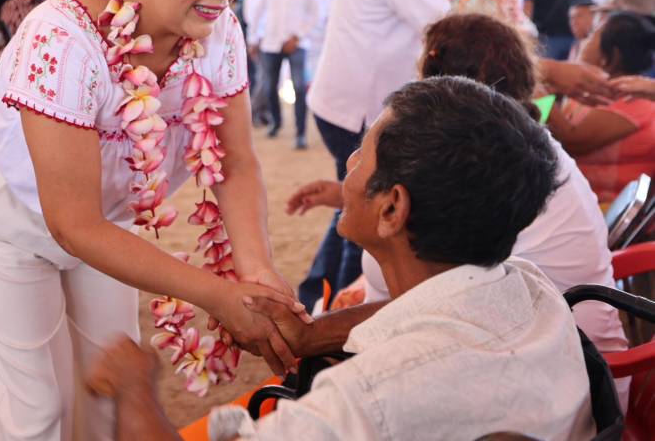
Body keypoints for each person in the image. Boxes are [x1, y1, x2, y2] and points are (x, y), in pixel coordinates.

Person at [0, 0, 308, 440]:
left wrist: (258, 274)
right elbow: (73, 223)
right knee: (37, 403)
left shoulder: (220, 31)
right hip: (7, 216)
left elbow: (235, 162)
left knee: (109, 381)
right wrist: (219, 295)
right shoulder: (61, 38)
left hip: (109, 223)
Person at [88, 76, 596, 441]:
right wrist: (313, 335)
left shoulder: (361, 403)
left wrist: (135, 390)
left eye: (361, 153)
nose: (348, 166)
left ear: (392, 208)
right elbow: (436, 312)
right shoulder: (532, 289)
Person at [302, 12, 629, 404]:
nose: (353, 161)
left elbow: (440, 307)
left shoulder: (483, 178)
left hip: (538, 380)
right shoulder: (520, 153)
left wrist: (313, 334)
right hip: (565, 371)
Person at [301, 0, 493, 309]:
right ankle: (337, 331)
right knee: (368, 226)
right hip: (358, 112)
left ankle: (316, 301)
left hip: (353, 105)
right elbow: (446, 31)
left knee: (355, 211)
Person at [549, 11, 655, 203]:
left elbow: (570, 143)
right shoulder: (594, 88)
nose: (583, 42)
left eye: (591, 36)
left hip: (603, 211)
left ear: (611, 55)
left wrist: (540, 86)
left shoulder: (634, 100)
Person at [247, 0, 319, 149]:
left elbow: (315, 15)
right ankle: (276, 123)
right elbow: (257, 12)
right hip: (270, 42)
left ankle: (301, 133)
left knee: (299, 87)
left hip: (297, 43)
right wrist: (253, 39)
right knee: (269, 86)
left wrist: (297, 36)